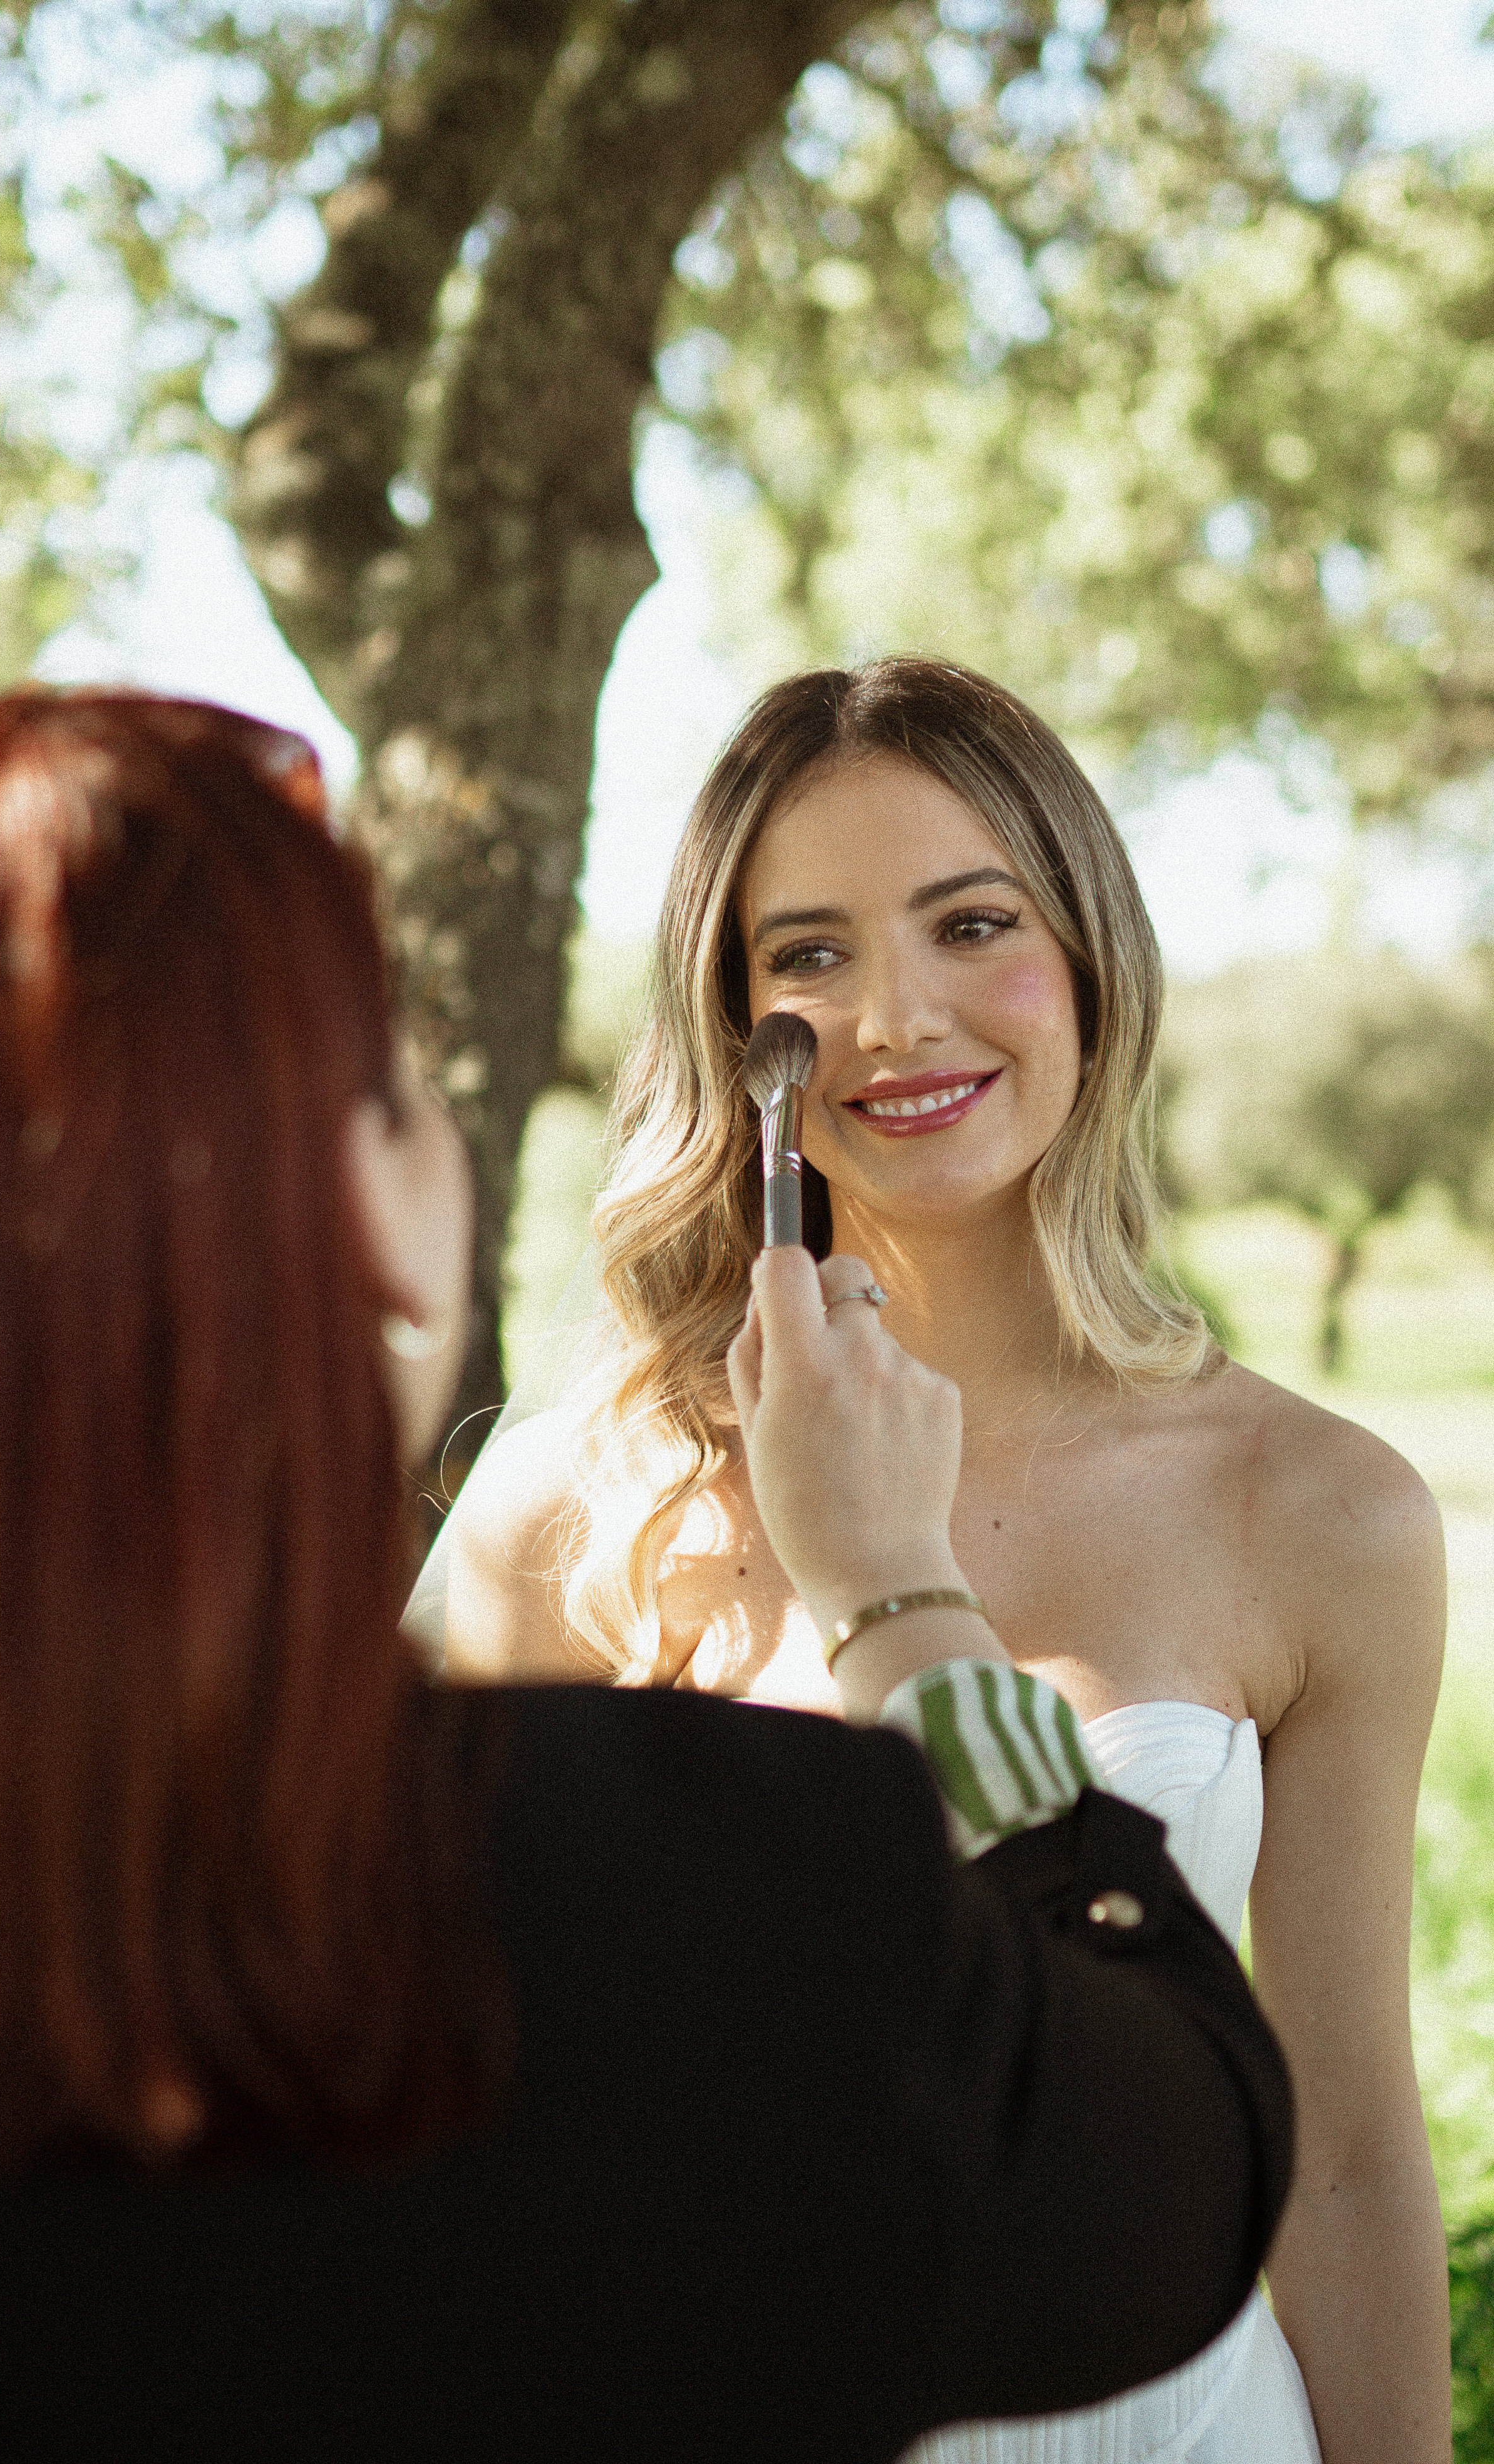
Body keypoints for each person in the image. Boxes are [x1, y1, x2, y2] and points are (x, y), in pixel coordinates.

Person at [0, 687, 1292, 2459]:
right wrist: (904, 1603)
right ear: (377, 1236)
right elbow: (1180, 2172)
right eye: (400, 1088)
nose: (893, 1014)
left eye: (974, 921)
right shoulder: (689, 1881)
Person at [434, 659, 1450, 2463]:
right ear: (735, 1027)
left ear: (1093, 958)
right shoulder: (578, 1514)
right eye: (809, 956)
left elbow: (1348, 2155)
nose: (894, 1019)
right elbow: (431, 2127)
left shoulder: (1319, 1510)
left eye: (972, 924)